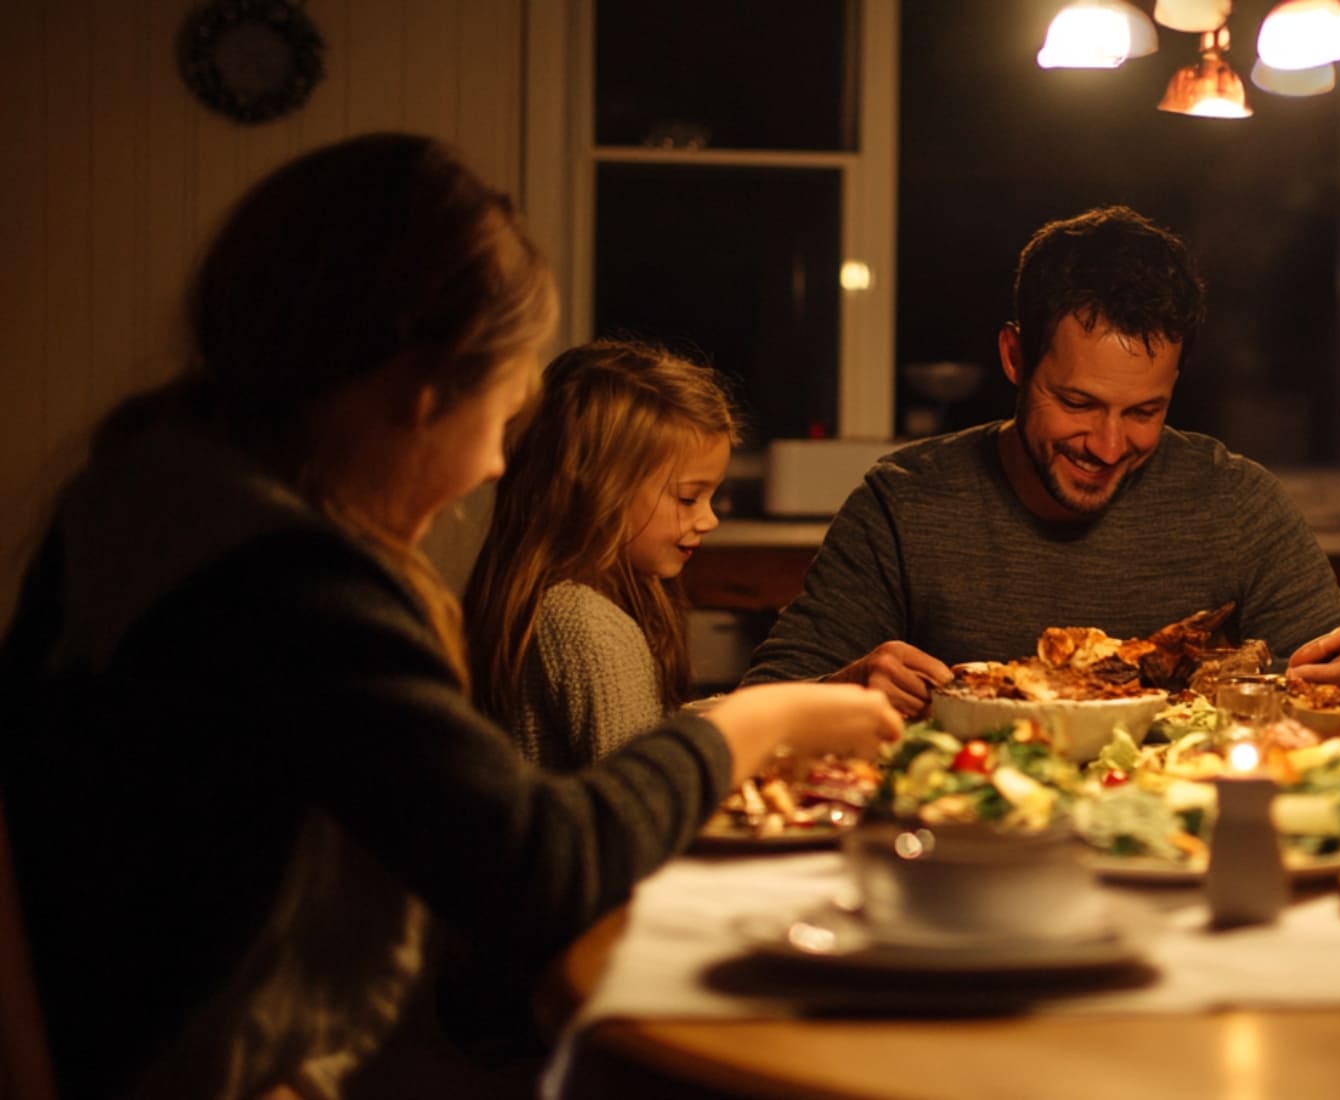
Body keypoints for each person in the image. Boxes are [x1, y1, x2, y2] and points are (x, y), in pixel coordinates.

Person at [0, 132, 900, 1098]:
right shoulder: (284, 585)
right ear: (423, 392)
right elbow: (542, 866)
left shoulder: (142, 498)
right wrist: (756, 720)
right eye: (498, 417)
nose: (495, 467)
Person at [739, 205, 1340, 715]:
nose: (1106, 445)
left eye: (1144, 412)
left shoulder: (1237, 503)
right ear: (1016, 358)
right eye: (1077, 403)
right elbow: (753, 710)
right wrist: (847, 686)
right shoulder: (905, 504)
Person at [466, 339, 737, 770]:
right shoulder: (586, 625)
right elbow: (642, 809)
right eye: (688, 498)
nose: (708, 520)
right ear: (600, 491)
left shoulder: (550, 601)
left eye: (711, 498)